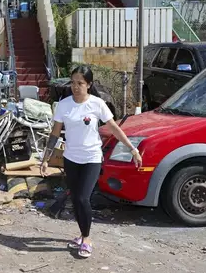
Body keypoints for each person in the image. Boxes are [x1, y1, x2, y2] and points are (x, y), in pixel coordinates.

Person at [40, 65, 142, 258]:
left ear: (89, 84)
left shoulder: (97, 104)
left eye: (80, 83)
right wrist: (46, 158)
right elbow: (55, 133)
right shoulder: (64, 105)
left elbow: (113, 128)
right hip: (71, 159)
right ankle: (81, 234)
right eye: (73, 83)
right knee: (77, 200)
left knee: (82, 198)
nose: (75, 87)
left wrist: (132, 149)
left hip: (92, 158)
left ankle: (86, 239)